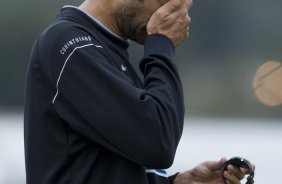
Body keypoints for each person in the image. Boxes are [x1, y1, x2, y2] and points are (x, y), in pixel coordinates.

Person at [24, 0, 252, 183]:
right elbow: (159, 142)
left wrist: (180, 181)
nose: (176, 15)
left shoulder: (104, 50)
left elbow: (102, 166)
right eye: (166, 2)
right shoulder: (71, 45)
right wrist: (162, 44)